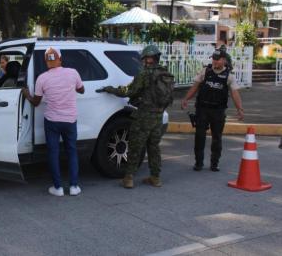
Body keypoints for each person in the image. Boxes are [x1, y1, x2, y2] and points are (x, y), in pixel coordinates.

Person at [102, 45, 173, 189]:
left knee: (135, 146)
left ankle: (128, 178)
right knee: (154, 147)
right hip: (158, 116)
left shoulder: (144, 74)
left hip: (144, 116)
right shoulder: (164, 73)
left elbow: (128, 91)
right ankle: (155, 178)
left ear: (146, 58)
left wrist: (110, 89)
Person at [22, 47, 85, 197]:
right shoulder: (73, 73)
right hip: (70, 120)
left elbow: (36, 102)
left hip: (52, 121)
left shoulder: (42, 78)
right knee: (72, 152)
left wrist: (27, 95)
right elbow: (81, 90)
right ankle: (74, 186)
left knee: (53, 152)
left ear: (46, 62)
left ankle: (58, 188)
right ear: (60, 59)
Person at [181, 47, 244, 172]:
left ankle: (214, 163)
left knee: (217, 138)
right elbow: (195, 87)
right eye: (213, 59)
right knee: (199, 137)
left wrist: (240, 109)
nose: (215, 62)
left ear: (224, 60)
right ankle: (198, 163)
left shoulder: (229, 76)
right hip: (202, 109)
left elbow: (235, 93)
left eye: (218, 60)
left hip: (218, 111)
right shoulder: (205, 71)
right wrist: (186, 99)